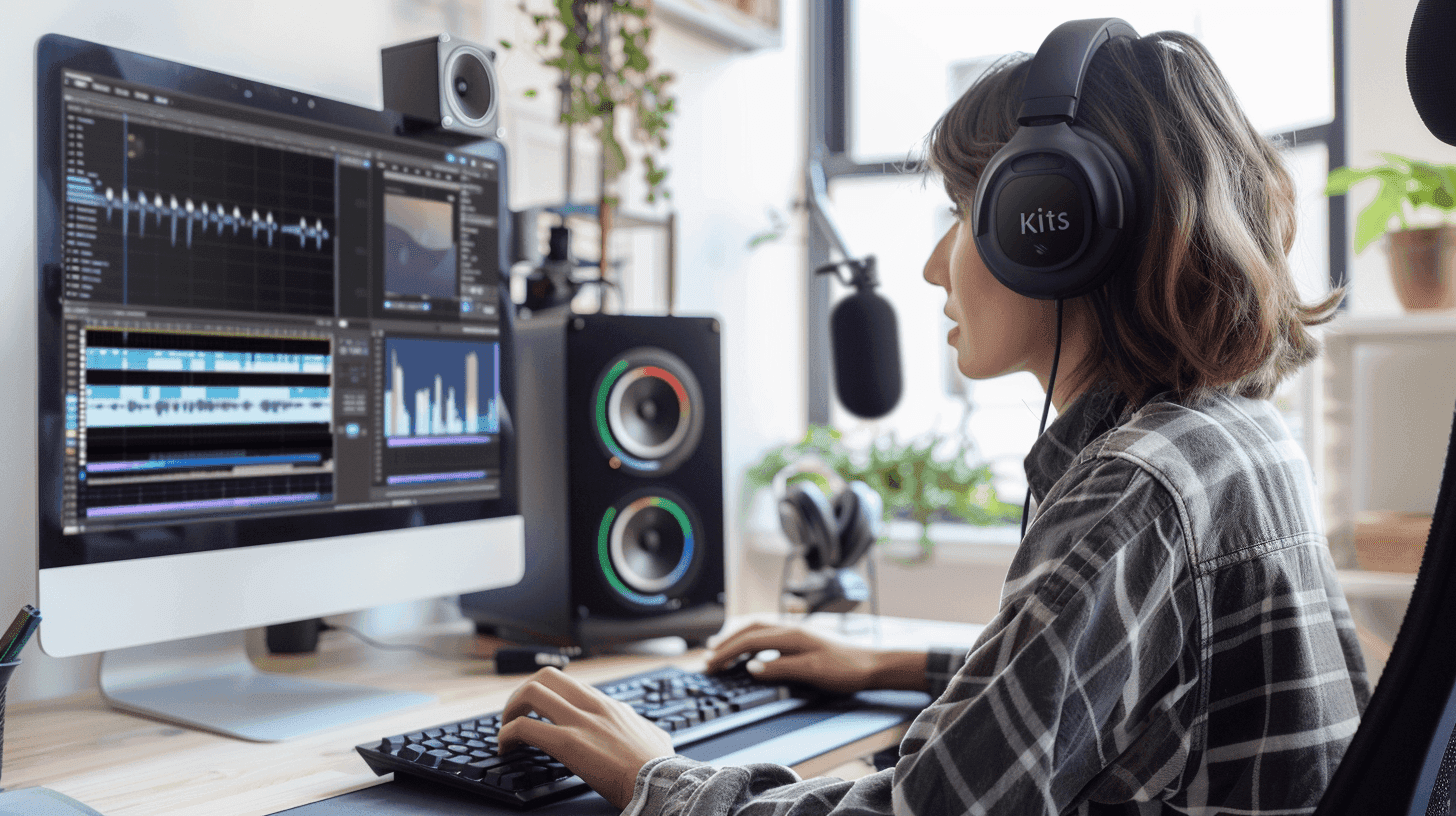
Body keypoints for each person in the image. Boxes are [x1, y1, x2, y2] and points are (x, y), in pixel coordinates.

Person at [495, 24, 1371, 816]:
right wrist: (892, 667)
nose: (929, 266)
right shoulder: (1232, 436)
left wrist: (657, 777)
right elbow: (1101, 687)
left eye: (960, 213)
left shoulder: (1132, 493)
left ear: (1053, 227)